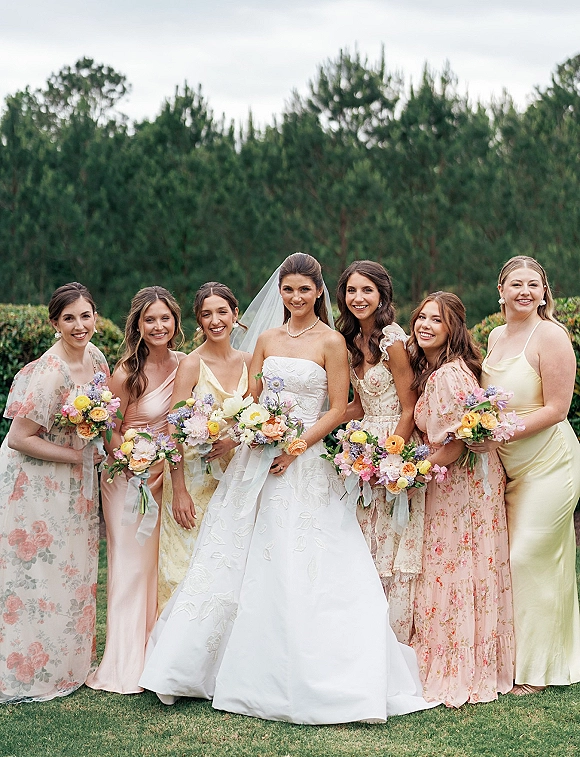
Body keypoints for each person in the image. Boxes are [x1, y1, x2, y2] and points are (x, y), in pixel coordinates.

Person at [139, 253, 437, 723]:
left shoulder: (332, 342)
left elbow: (338, 408)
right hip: (256, 458)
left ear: (319, 291)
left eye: (304, 289)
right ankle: (198, 665)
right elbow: (252, 398)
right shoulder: (267, 338)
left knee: (303, 558)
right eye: (288, 289)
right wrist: (238, 430)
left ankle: (308, 668)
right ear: (279, 292)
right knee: (233, 553)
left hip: (304, 460)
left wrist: (295, 447)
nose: (295, 297)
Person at [0, 282, 108, 703]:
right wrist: (78, 457)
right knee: (37, 574)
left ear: (95, 316)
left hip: (74, 481)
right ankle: (30, 669)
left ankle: (68, 663)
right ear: (54, 323)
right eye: (69, 318)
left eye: (86, 315)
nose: (79, 325)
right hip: (36, 485)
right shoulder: (50, 373)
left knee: (72, 567)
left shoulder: (96, 357)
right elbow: (19, 439)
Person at [477, 256, 580, 695]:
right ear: (500, 290)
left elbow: (557, 409)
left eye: (533, 284)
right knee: (518, 561)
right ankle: (522, 656)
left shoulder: (551, 336)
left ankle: (536, 672)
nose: (524, 291)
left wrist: (498, 430)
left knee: (527, 556)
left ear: (544, 292)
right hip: (510, 466)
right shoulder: (498, 335)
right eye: (515, 284)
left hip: (550, 464)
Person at [408, 291, 514, 707]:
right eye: (421, 317)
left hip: (459, 487)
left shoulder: (448, 375)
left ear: (454, 328)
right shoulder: (441, 371)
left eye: (437, 320)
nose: (425, 325)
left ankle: (458, 665)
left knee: (455, 566)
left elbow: (456, 443)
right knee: (461, 568)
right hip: (457, 484)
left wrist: (412, 473)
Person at [86, 287, 185, 694]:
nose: (158, 326)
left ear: (176, 322)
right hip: (130, 478)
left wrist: (165, 463)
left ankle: (156, 655)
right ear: (138, 326)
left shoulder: (184, 365)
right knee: (130, 567)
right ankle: (124, 665)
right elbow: (110, 429)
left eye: (165, 318)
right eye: (150, 320)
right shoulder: (127, 372)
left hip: (170, 473)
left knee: (160, 568)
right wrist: (136, 462)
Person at [336, 260, 423, 645]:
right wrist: (317, 422)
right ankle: (363, 635)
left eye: (366, 290)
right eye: (352, 291)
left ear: (382, 295)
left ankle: (396, 638)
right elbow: (358, 405)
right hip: (364, 443)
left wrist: (392, 458)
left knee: (390, 542)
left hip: (393, 443)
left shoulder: (392, 340)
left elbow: (409, 405)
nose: (358, 298)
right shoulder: (349, 339)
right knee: (363, 538)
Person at [157, 282, 251, 613]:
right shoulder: (192, 364)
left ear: (235, 314)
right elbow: (172, 429)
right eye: (206, 314)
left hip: (236, 477)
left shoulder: (250, 361)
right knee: (186, 566)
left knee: (227, 565)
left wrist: (233, 439)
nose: (215, 320)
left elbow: (258, 419)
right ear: (198, 319)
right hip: (194, 480)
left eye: (222, 312)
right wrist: (179, 490)